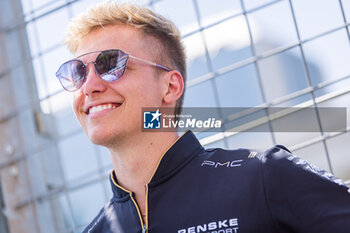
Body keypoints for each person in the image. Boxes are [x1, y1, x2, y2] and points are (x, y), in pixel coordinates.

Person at [55, 2, 350, 233]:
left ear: (170, 87)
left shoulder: (263, 175)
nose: (90, 86)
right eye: (77, 72)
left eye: (111, 64)